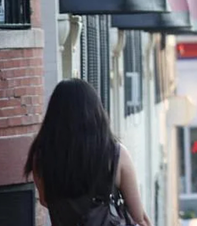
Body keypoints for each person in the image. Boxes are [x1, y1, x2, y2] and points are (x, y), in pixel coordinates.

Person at [24, 79, 151, 226]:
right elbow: (138, 217)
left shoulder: (41, 157)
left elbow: (45, 201)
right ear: (96, 112)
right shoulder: (116, 155)